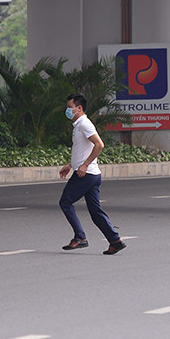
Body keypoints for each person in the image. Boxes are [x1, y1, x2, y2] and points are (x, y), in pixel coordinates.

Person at [58, 93, 127, 256]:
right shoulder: (79, 125)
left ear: (79, 108)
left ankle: (80, 237)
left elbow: (99, 145)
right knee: (96, 212)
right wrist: (70, 165)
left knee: (65, 202)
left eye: (70, 107)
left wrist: (84, 165)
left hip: (86, 174)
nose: (67, 110)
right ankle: (115, 241)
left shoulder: (84, 124)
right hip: (91, 174)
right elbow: (82, 150)